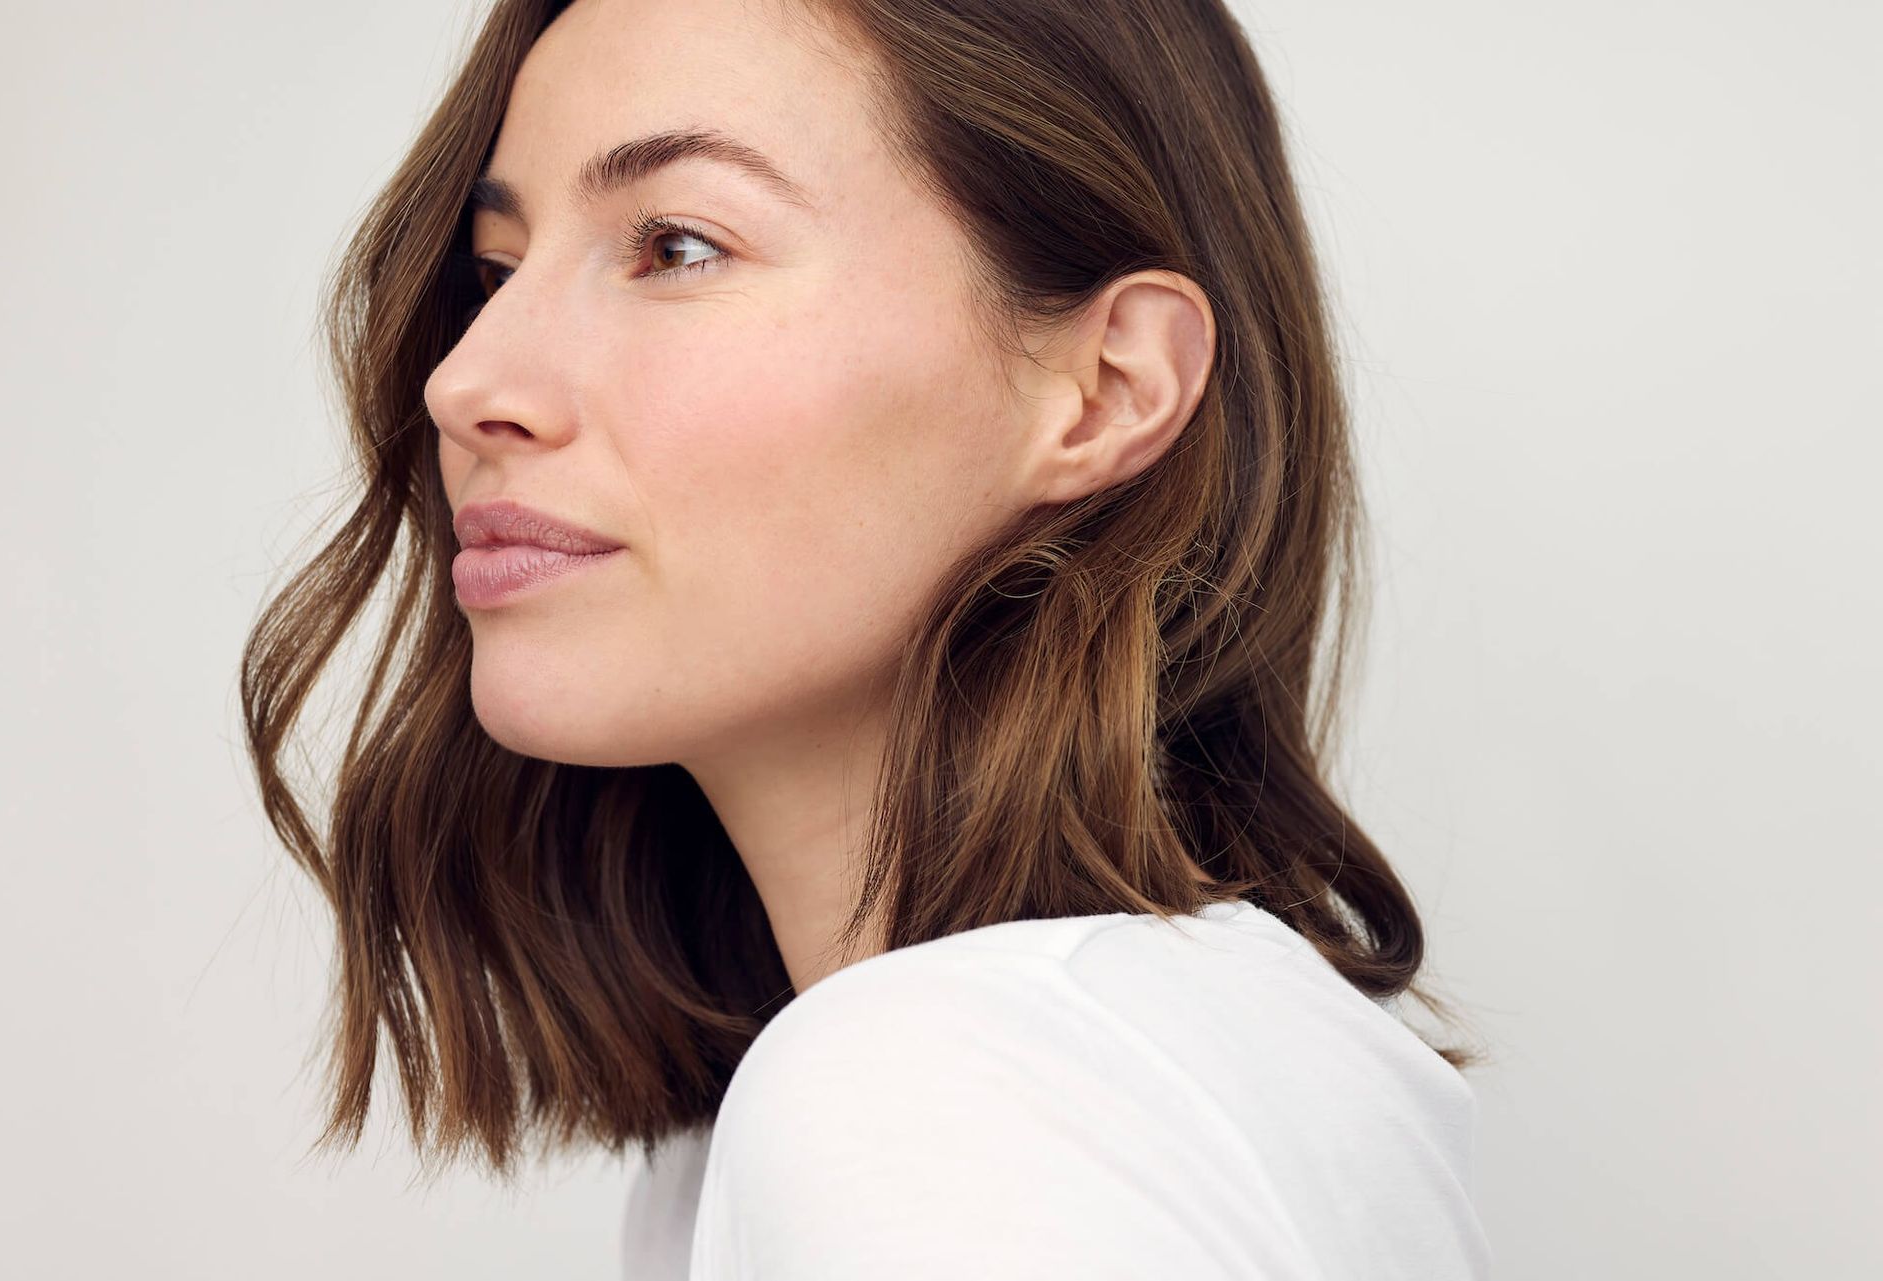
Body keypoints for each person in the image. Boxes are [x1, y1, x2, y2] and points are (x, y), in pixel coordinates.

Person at [239, 0, 1492, 1275]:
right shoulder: (1124, 1066)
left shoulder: (939, 1102)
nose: (466, 382)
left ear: (1106, 388)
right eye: (499, 272)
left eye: (676, 246)